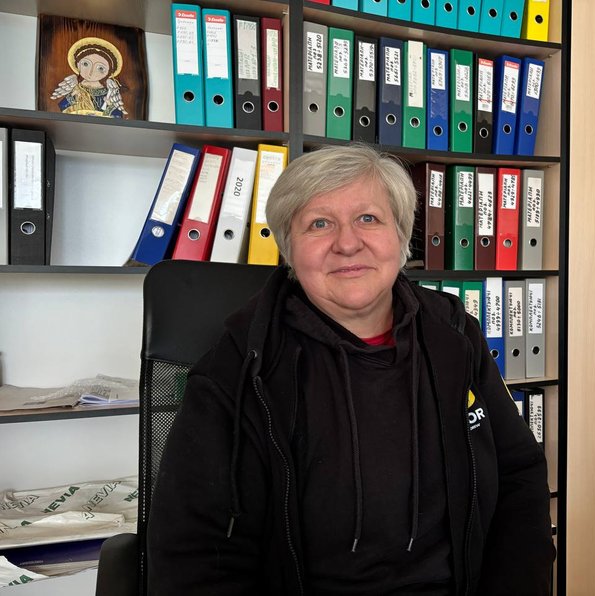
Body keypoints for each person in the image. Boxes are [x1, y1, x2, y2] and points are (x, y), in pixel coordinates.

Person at [147, 144, 555, 595]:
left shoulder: (454, 335)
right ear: (289, 248)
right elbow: (195, 554)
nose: (347, 243)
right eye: (319, 224)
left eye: (368, 218)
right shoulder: (239, 369)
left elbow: (518, 474)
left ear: (400, 235)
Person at [50, 37, 128, 118]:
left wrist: (110, 106)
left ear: (108, 72)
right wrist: (73, 96)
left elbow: (117, 116)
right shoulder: (77, 88)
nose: (91, 72)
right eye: (86, 64)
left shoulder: (106, 93)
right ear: (77, 64)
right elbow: (62, 107)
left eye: (101, 68)